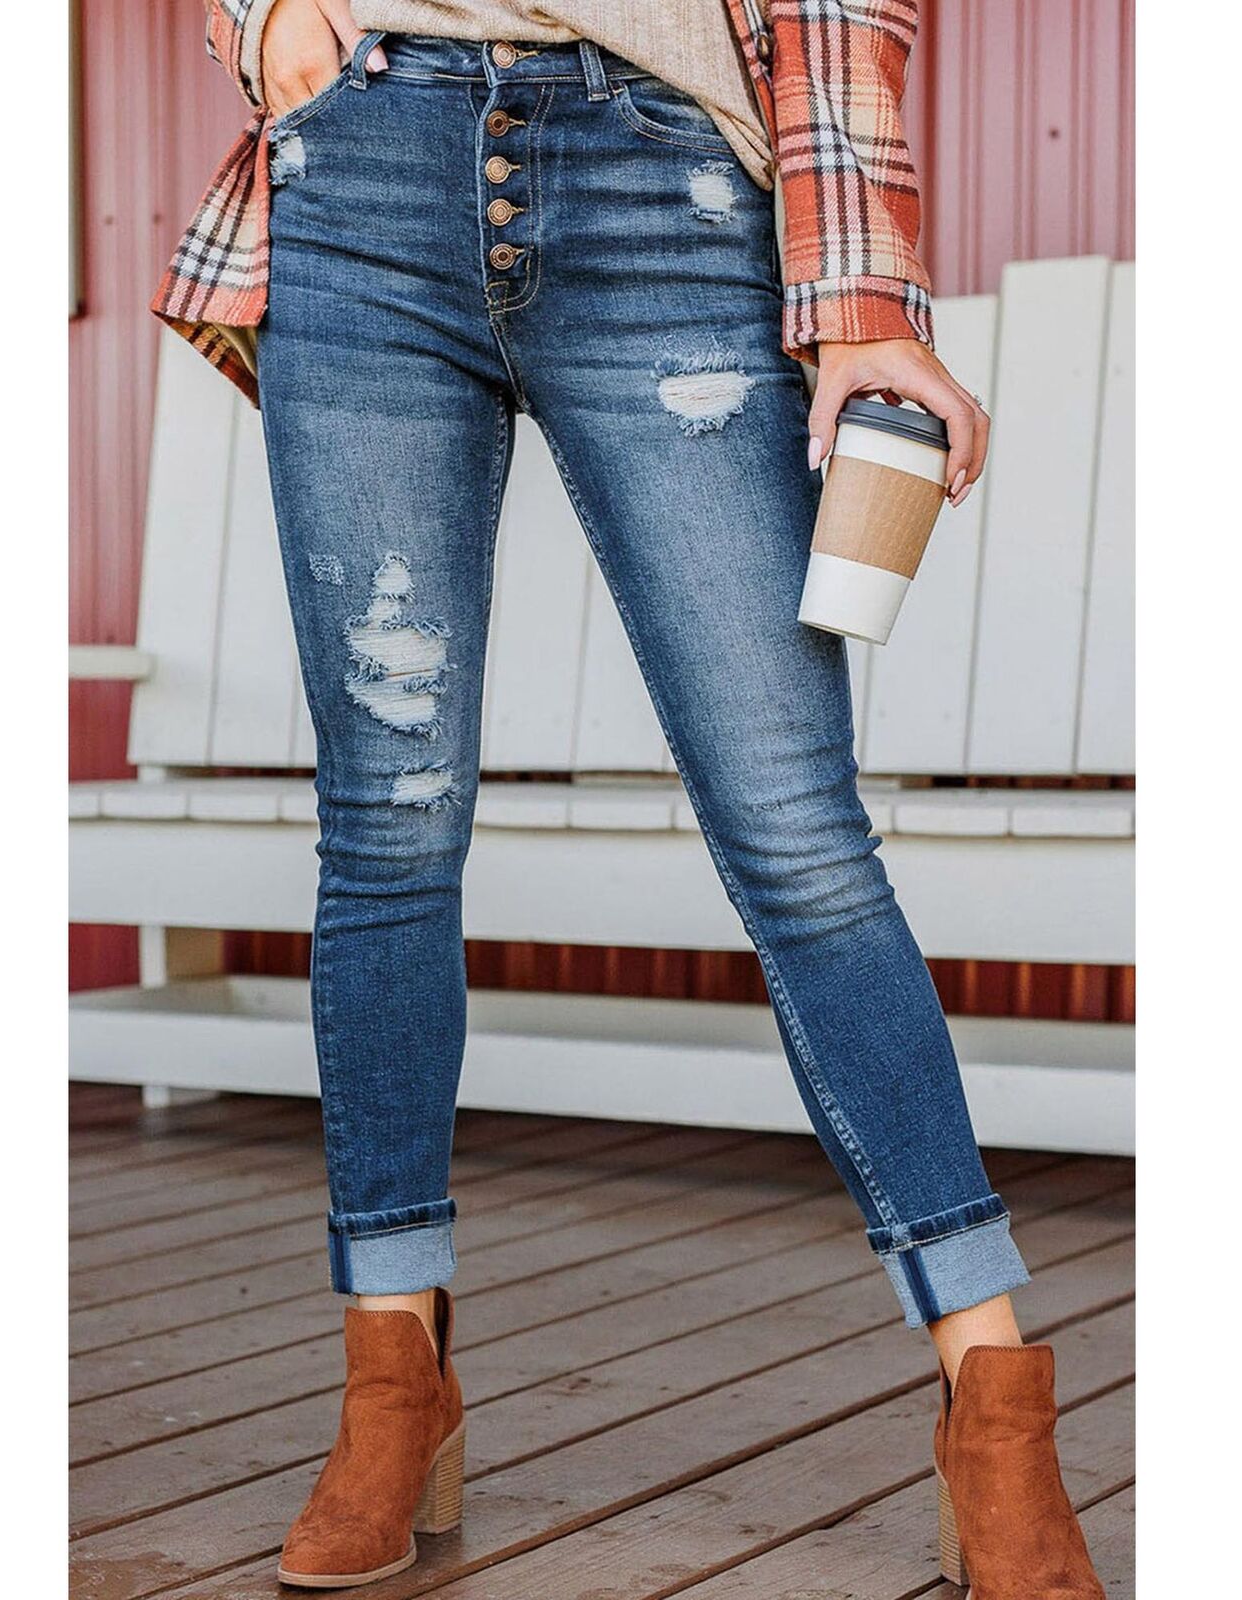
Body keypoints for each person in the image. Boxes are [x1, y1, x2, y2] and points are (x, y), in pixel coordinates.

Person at [154, 3, 1106, 1594]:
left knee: (797, 835)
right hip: (361, 175)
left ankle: (996, 1408)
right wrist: (263, 23)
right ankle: (395, 1377)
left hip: (667, 176)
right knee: (387, 828)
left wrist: (865, 300)